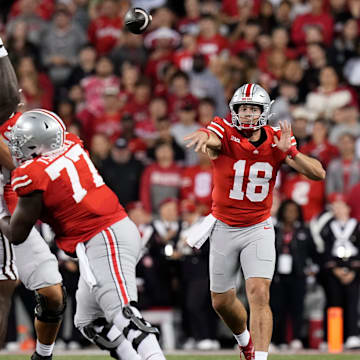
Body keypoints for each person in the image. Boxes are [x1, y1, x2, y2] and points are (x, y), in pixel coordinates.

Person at [0, 108, 166, 360]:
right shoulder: (72, 143)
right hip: (101, 237)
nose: (17, 148)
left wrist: (1, 211)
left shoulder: (31, 174)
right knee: (89, 321)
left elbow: (16, 233)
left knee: (123, 313)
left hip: (105, 236)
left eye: (24, 143)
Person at [184, 83, 326, 360]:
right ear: (234, 110)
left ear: (264, 111)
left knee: (259, 292)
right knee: (221, 302)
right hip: (224, 226)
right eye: (243, 109)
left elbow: (318, 173)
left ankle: (259, 358)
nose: (247, 114)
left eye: (253, 109)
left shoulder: (277, 139)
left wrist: (290, 153)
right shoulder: (223, 131)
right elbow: (211, 137)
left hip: (258, 227)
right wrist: (203, 135)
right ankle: (244, 341)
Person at [0, 37, 65, 359]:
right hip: (10, 214)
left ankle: (43, 354)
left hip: (20, 215)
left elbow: (25, 170)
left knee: (53, 295)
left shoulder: (31, 128)